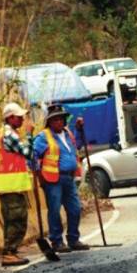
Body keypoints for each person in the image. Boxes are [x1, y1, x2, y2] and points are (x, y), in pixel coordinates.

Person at [32, 105, 89, 253]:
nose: (59, 122)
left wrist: (79, 129)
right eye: (55, 119)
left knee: (75, 209)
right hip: (52, 180)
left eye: (61, 119)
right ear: (49, 122)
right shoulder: (44, 136)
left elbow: (79, 145)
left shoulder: (68, 134)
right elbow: (33, 156)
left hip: (68, 178)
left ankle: (73, 239)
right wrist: (38, 175)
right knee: (55, 211)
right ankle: (56, 241)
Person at [0, 102, 34, 266]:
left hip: (8, 185)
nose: (22, 119)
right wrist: (29, 135)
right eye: (19, 117)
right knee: (16, 218)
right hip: (10, 185)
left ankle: (11, 251)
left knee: (13, 218)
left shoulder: (0, 134)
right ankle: (9, 252)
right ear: (10, 118)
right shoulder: (10, 135)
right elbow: (28, 153)